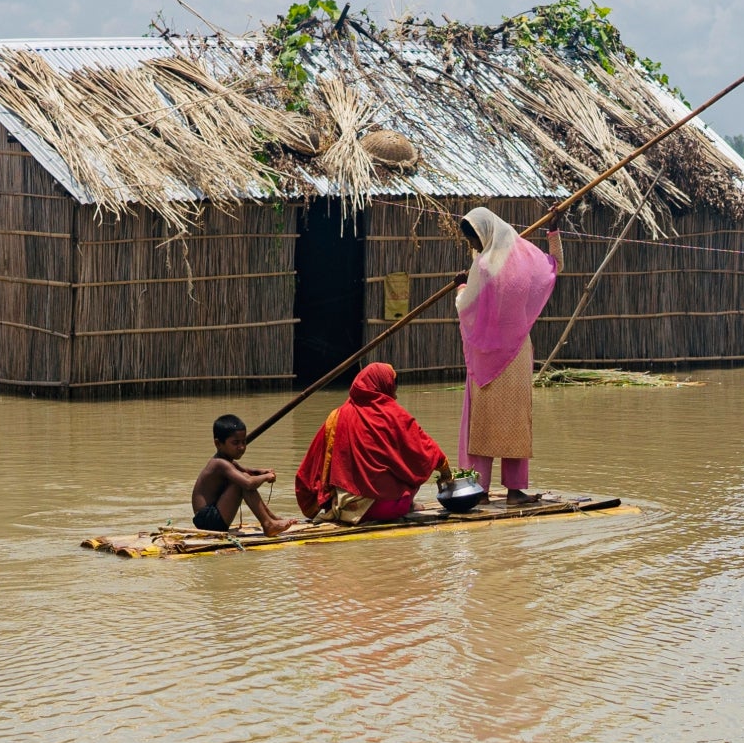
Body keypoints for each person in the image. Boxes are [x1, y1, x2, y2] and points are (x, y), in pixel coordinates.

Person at [456, 206, 561, 503]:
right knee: (515, 420)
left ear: (485, 234)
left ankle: (480, 490)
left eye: (474, 240)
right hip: (517, 352)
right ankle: (514, 490)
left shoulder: (485, 266)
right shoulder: (525, 258)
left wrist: (461, 286)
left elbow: (466, 308)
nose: (474, 246)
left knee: (482, 422)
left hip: (488, 355)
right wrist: (553, 233)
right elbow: (556, 265)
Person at [294, 362, 455, 524]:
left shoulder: (336, 417)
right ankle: (409, 504)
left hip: (346, 508)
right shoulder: (395, 415)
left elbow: (308, 471)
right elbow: (428, 452)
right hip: (389, 508)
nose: (395, 396)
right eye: (393, 390)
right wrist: (446, 475)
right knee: (410, 471)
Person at [191, 414, 292, 536]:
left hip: (211, 517)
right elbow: (248, 483)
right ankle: (268, 523)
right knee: (242, 483)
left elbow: (246, 470)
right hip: (208, 520)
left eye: (244, 442)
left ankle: (271, 519)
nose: (242, 447)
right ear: (218, 444)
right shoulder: (219, 464)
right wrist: (265, 477)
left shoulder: (227, 461)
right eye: (235, 443)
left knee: (244, 477)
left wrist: (261, 471)